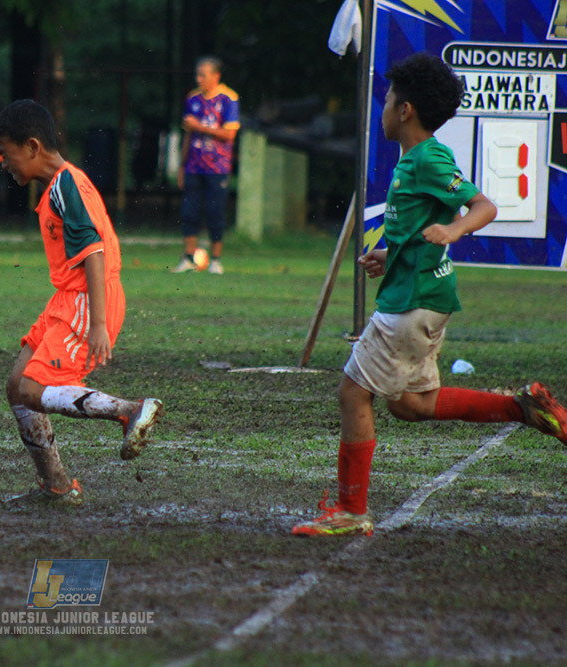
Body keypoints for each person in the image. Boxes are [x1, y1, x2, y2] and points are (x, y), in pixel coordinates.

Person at [292, 53, 567, 538]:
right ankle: (521, 407)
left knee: (353, 392)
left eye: (388, 97)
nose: (383, 104)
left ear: (406, 110)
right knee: (411, 404)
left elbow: (484, 205)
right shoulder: (412, 161)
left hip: (412, 303)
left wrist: (455, 228)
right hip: (419, 294)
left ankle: (350, 511)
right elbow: (415, 229)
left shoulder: (429, 158)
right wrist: (389, 256)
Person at [0, 100, 163, 505]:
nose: (3, 163)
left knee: (34, 390)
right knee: (18, 385)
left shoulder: (68, 184)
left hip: (88, 299)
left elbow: (95, 255)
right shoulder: (61, 184)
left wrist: (98, 323)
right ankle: (56, 486)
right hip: (68, 297)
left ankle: (130, 410)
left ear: (32, 147)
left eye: (6, 153)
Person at [172, 56, 239, 275]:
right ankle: (188, 258)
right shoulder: (192, 99)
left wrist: (199, 126)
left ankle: (216, 260)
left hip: (217, 167)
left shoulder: (229, 99)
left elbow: (229, 134)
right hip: (194, 165)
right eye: (197, 74)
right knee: (189, 212)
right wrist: (182, 166)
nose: (198, 78)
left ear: (216, 76)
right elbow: (188, 136)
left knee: (215, 212)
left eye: (203, 75)